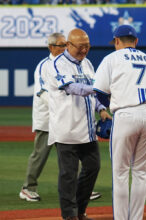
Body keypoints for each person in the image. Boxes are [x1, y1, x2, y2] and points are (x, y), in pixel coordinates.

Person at [93, 25, 146, 220]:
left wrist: (106, 110)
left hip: (126, 115)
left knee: (120, 173)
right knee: (141, 173)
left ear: (117, 41)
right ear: (136, 41)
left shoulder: (112, 58)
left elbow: (100, 92)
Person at [47, 28, 111, 220]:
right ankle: (70, 216)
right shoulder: (58, 64)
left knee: (93, 167)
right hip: (66, 130)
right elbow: (72, 87)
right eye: (80, 47)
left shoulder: (88, 63)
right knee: (68, 175)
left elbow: (95, 94)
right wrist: (97, 88)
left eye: (87, 46)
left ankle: (80, 210)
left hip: (87, 130)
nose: (84, 50)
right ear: (68, 45)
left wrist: (101, 109)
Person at [19, 32, 67, 202]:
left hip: (64, 119)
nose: (65, 48)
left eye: (66, 44)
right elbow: (42, 93)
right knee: (39, 155)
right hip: (47, 119)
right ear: (51, 47)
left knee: (70, 155)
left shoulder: (68, 65)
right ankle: (28, 188)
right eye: (61, 45)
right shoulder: (43, 66)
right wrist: (61, 107)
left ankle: (78, 189)